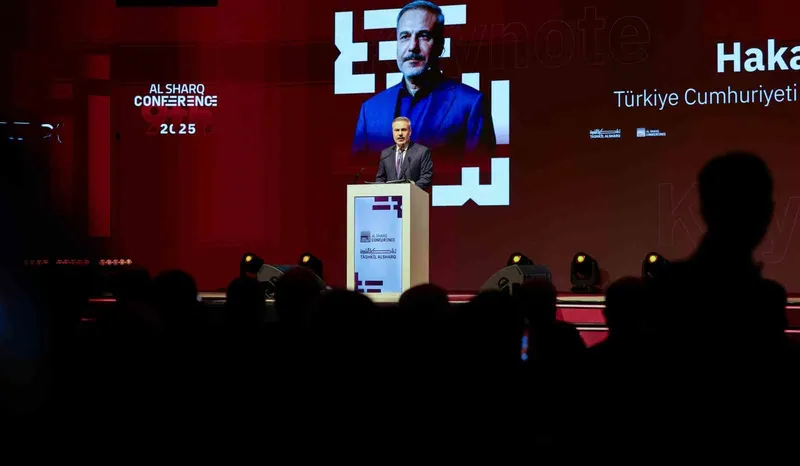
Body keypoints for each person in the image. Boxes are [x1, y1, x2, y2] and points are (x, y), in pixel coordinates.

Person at [352, 0, 495, 156]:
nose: (412, 46)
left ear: (440, 46)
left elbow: (481, 167)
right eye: (405, 36)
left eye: (423, 36)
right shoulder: (370, 110)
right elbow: (359, 169)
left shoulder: (470, 104)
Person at [375, 117, 433, 189]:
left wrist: (410, 190)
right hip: (391, 195)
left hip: (413, 194)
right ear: (393, 132)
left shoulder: (422, 151)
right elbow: (380, 178)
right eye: (397, 130)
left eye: (403, 130)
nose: (400, 134)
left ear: (410, 132)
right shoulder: (386, 153)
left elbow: (426, 177)